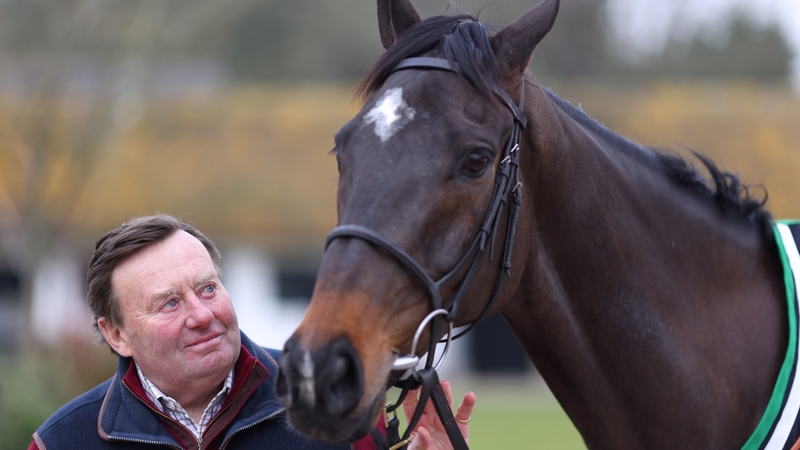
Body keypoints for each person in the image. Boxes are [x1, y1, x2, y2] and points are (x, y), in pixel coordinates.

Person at [30, 214, 476, 450]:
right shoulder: (62, 441)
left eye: (208, 289)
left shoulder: (336, 401)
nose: (201, 315)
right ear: (116, 335)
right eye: (169, 303)